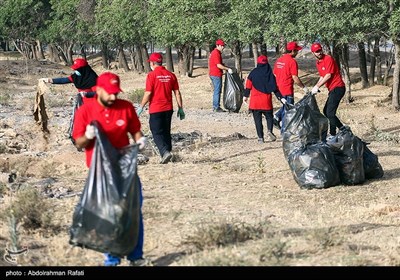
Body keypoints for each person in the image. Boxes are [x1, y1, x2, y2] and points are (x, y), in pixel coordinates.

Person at [72, 72, 149, 266]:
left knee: (133, 210)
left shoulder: (126, 107)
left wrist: (140, 140)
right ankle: (112, 258)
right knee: (109, 215)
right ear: (98, 90)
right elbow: (79, 143)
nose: (114, 97)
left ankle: (135, 256)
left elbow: (134, 129)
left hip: (125, 169)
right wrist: (88, 136)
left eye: (116, 92)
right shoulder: (86, 111)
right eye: (109, 93)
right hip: (100, 172)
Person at [136, 52, 184, 164]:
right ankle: (168, 153)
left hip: (156, 109)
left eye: (150, 63)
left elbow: (148, 93)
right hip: (168, 109)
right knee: (166, 131)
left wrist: (141, 107)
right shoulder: (171, 75)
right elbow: (177, 93)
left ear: (153, 63)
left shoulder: (151, 76)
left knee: (156, 131)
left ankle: (164, 152)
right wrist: (180, 108)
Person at [244, 55, 285, 143]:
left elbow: (248, 86)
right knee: (269, 117)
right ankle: (269, 130)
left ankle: (260, 138)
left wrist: (245, 96)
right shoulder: (270, 74)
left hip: (255, 102)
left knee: (257, 120)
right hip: (266, 101)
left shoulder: (253, 73)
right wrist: (281, 98)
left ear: (258, 63)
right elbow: (275, 88)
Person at [310, 42, 346, 139]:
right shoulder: (318, 63)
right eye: (317, 51)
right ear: (313, 53)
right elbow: (322, 76)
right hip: (332, 89)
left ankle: (339, 131)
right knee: (326, 111)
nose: (319, 52)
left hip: (338, 87)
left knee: (330, 113)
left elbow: (328, 75)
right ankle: (337, 132)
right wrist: (315, 87)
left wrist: (317, 86)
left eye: (320, 50)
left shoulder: (328, 59)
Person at [273, 41, 308, 132]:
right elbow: (295, 77)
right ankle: (284, 131)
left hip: (278, 89)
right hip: (287, 89)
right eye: (296, 50)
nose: (297, 52)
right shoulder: (292, 62)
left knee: (286, 107)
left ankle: (276, 117)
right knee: (288, 111)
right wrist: (303, 87)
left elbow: (275, 75)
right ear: (292, 51)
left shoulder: (279, 60)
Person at [208, 39, 233, 112]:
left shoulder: (217, 53)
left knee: (217, 90)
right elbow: (218, 65)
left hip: (215, 74)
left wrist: (225, 66)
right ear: (217, 45)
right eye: (221, 46)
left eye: (223, 46)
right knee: (217, 90)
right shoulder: (216, 53)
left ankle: (215, 106)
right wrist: (227, 69)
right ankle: (216, 107)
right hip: (215, 74)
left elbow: (219, 63)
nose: (223, 47)